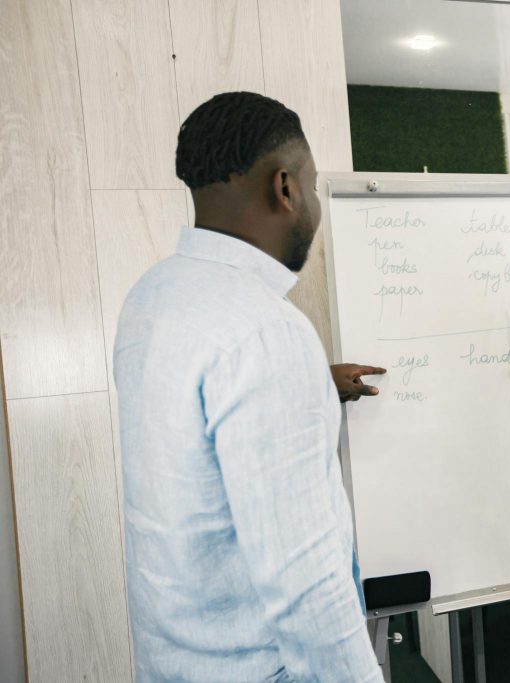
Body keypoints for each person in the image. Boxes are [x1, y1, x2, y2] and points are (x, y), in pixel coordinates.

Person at [114, 91, 385, 682]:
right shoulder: (266, 332)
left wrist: (310, 383)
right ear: (284, 188)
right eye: (311, 187)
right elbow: (305, 583)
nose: (313, 203)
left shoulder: (153, 296)